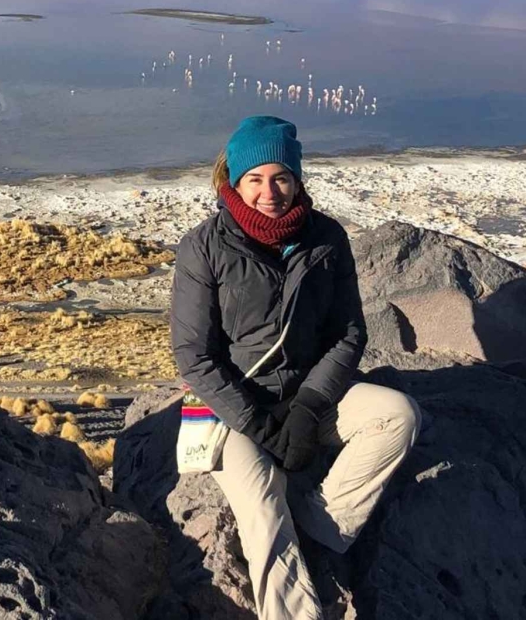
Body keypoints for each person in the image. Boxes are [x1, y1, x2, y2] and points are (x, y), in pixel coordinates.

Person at [170, 115, 421, 620]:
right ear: (233, 182)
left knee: (398, 415)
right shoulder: (204, 247)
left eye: (281, 177)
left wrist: (308, 408)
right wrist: (261, 425)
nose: (270, 192)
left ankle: (320, 526)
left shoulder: (326, 238)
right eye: (256, 179)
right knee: (263, 511)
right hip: (234, 408)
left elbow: (349, 333)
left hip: (309, 394)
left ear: (298, 178)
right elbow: (194, 355)